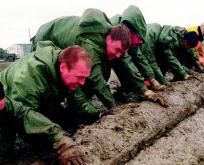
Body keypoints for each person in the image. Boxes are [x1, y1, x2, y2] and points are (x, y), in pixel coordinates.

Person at [31, 8, 167, 120]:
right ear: (108, 38)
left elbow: (125, 62)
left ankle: (76, 110)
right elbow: (96, 80)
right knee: (58, 82)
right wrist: (116, 108)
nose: (118, 55)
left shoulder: (115, 38)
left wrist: (145, 89)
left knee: (94, 76)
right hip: (46, 38)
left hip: (66, 42)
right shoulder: (92, 44)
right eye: (117, 50)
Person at [0, 42, 93, 164]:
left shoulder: (64, 64)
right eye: (79, 77)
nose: (82, 83)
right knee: (2, 145)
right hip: (6, 103)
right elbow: (24, 116)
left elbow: (80, 101)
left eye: (84, 78)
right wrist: (58, 141)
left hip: (37, 99)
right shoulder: (29, 80)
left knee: (66, 121)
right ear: (63, 68)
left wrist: (98, 113)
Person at [110, 5, 166, 91]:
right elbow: (126, 63)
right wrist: (144, 89)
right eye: (140, 38)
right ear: (133, 31)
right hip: (106, 55)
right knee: (121, 66)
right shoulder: (118, 32)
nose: (140, 43)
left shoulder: (132, 38)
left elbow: (140, 58)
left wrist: (152, 79)